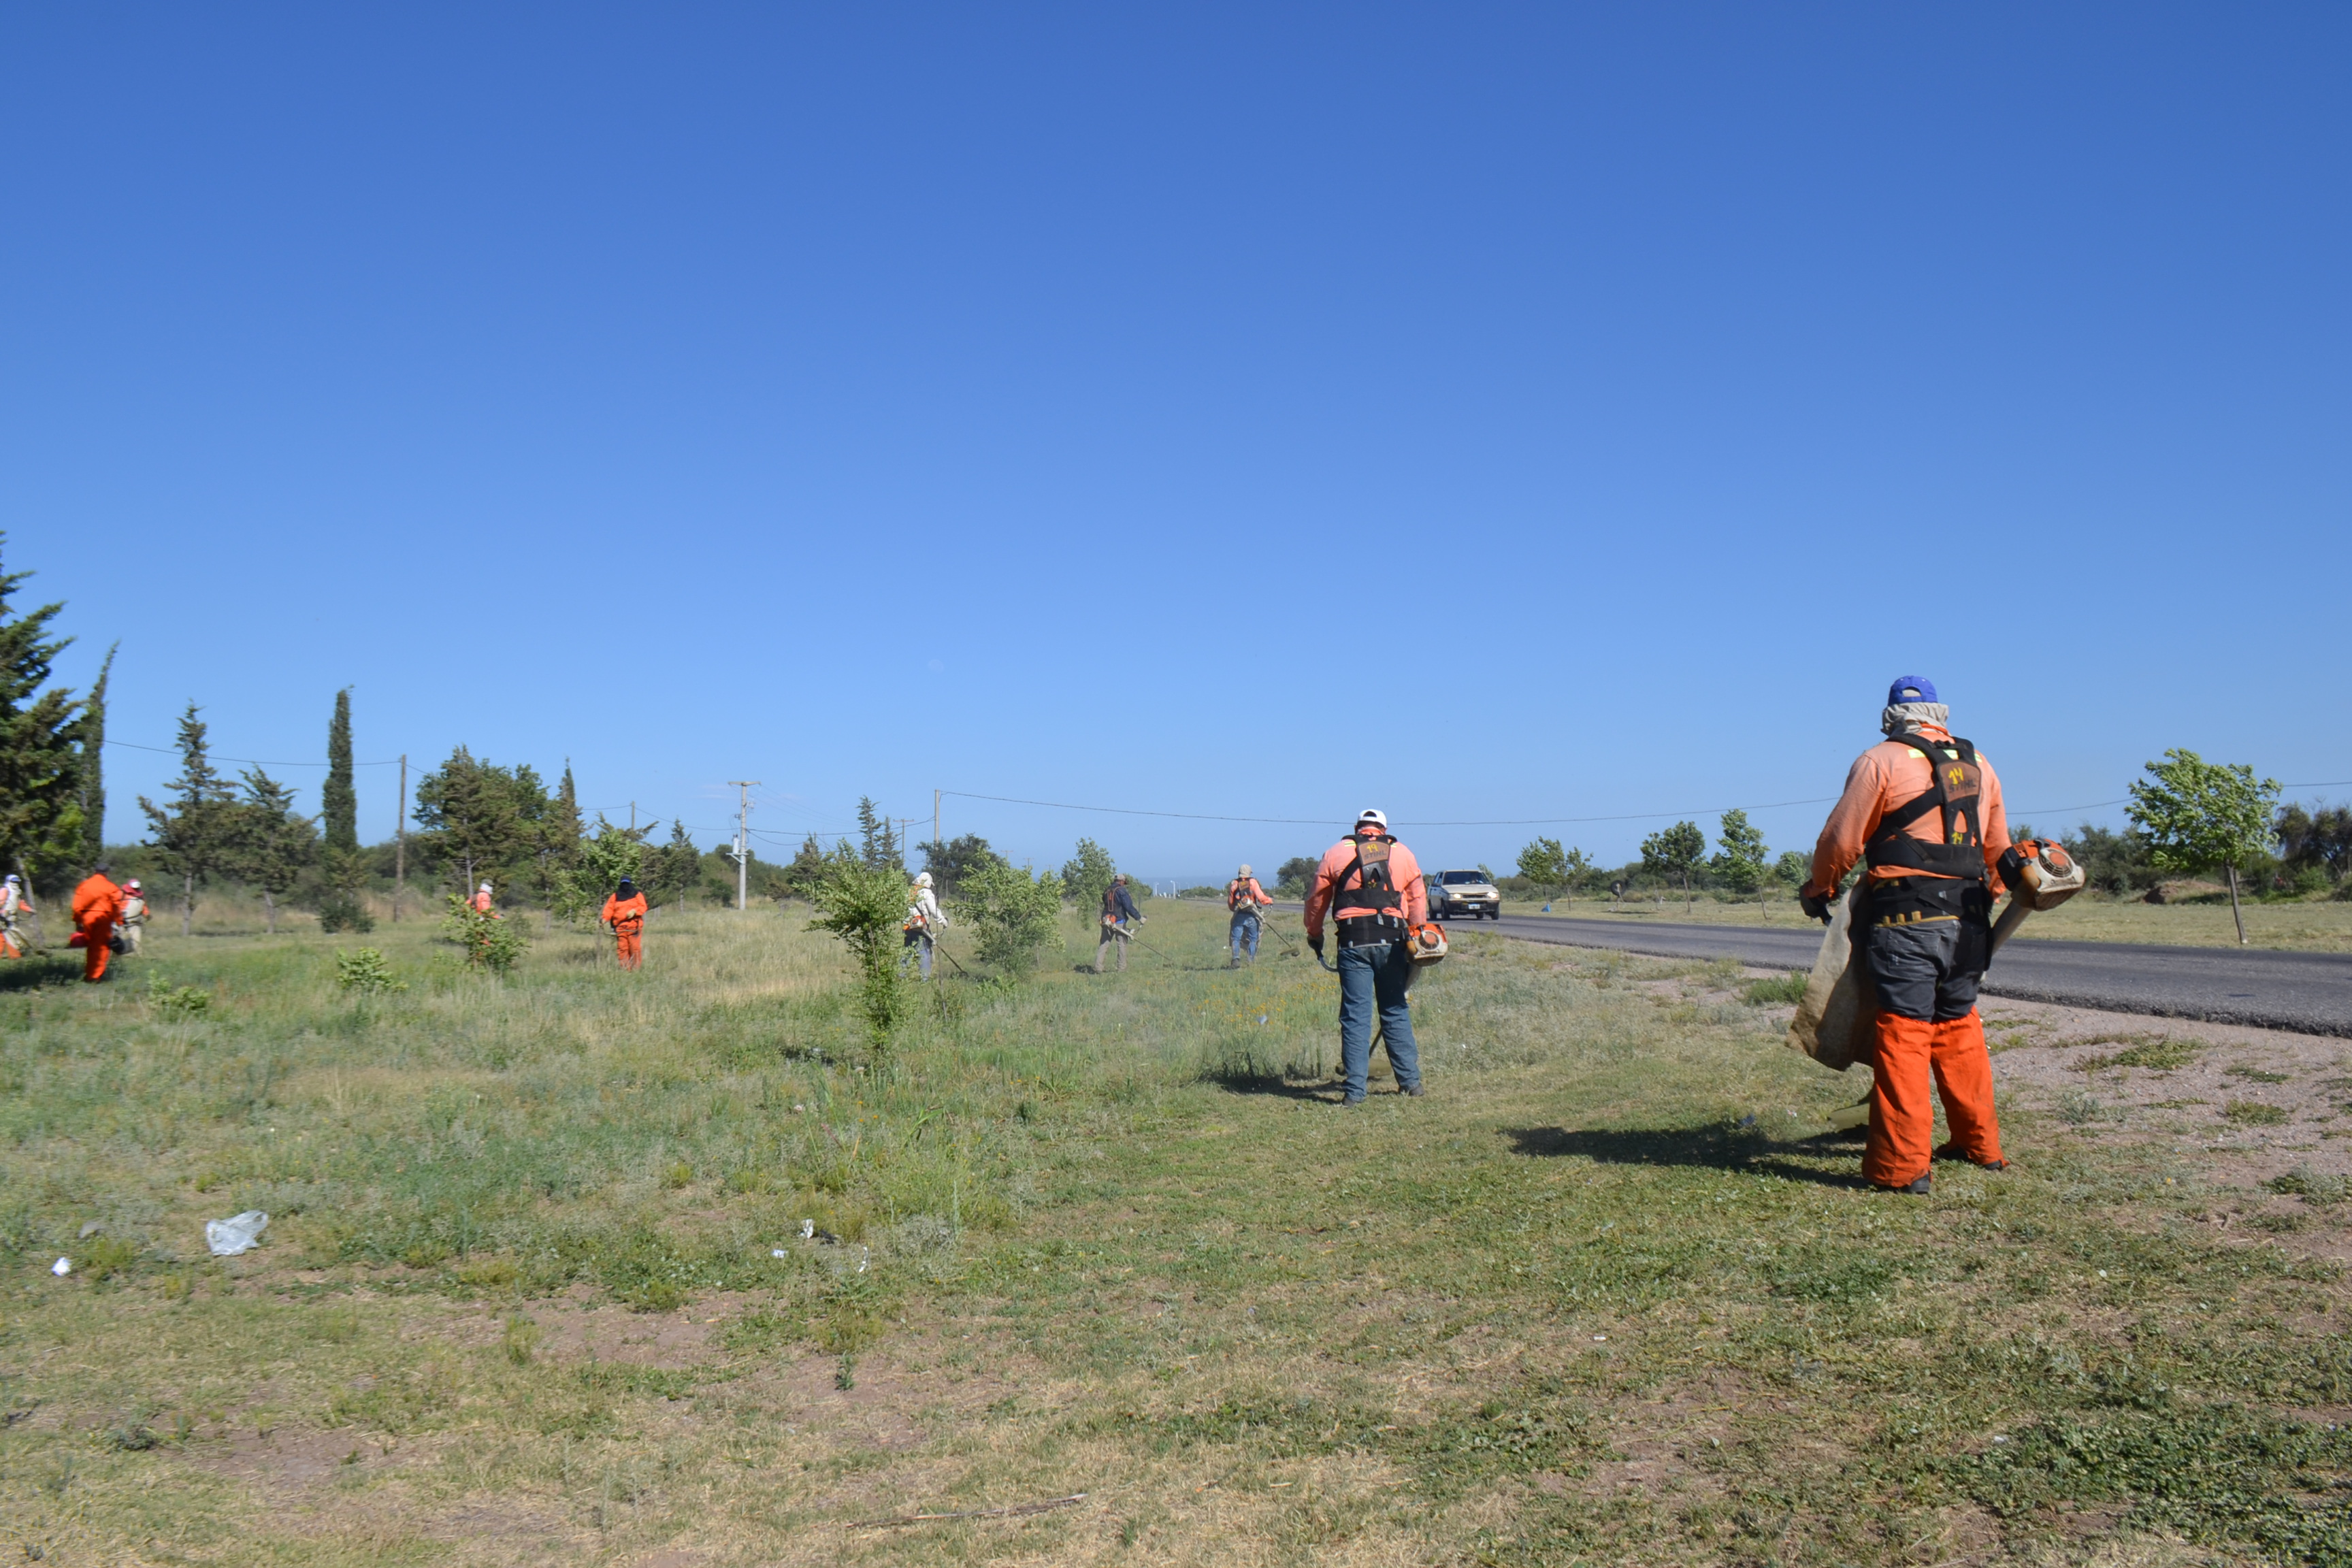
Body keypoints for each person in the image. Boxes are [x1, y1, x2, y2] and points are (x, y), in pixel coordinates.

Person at [1799, 676, 2012, 1195]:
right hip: (1970, 919)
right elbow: (1999, 847)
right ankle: (1979, 1146)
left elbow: (1842, 838)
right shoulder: (1980, 763)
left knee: (1905, 1035)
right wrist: (1992, 894)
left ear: (1891, 715)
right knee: (1959, 1029)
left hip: (1905, 921)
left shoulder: (1881, 760)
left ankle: (1901, 1168)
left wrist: (1820, 887)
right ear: (1941, 714)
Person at [1303, 808, 1428, 1105]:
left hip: (1353, 941)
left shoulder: (1336, 852)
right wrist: (1417, 933)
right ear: (1384, 829)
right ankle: (1411, 1084)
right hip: (1394, 940)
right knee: (1395, 1010)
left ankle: (1355, 1093)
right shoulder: (1404, 854)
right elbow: (1417, 899)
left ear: (1357, 827)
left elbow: (1317, 897)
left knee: (1355, 1017)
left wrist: (1314, 932)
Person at [71, 862, 123, 983]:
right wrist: (119, 921)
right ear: (107, 873)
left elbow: (76, 906)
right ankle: (94, 976)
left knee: (91, 946)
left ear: (95, 872)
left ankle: (90, 973)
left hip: (87, 917)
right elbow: (116, 905)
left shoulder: (84, 885)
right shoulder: (111, 887)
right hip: (103, 918)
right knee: (101, 947)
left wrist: (78, 921)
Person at [902, 870, 947, 979]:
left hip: (907, 928)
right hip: (920, 928)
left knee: (906, 953)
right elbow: (934, 910)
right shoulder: (926, 893)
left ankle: (901, 976)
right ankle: (924, 979)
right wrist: (943, 921)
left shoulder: (910, 892)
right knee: (924, 953)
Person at [1226, 863, 1271, 966]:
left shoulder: (1234, 883)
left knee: (1236, 939)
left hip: (1239, 915)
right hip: (1252, 914)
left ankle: (1235, 959)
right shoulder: (1253, 882)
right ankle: (1250, 961)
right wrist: (1270, 901)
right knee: (1253, 939)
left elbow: (1230, 902)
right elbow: (1261, 898)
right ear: (1249, 872)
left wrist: (1234, 909)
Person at [1096, 873, 1142, 974]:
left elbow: (1104, 902)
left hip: (1106, 920)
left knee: (1104, 944)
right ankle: (1121, 969)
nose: (1124, 884)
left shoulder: (1107, 890)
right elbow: (1128, 906)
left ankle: (1098, 968)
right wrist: (1138, 917)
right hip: (1119, 921)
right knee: (1121, 944)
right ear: (1121, 881)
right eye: (1124, 883)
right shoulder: (1121, 891)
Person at [601, 877, 649, 970]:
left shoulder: (637, 895)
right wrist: (604, 919)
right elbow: (609, 909)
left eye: (627, 884)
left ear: (630, 884)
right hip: (620, 927)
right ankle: (625, 969)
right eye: (623, 884)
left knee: (634, 948)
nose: (625, 886)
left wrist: (635, 911)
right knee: (622, 949)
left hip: (634, 926)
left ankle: (636, 969)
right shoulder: (615, 896)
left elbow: (643, 906)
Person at [0, 873, 33, 959]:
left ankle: (15, 954)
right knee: (8, 936)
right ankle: (15, 955)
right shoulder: (5, 890)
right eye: (14, 882)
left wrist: (30, 910)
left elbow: (21, 904)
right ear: (8, 881)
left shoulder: (17, 892)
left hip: (12, 917)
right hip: (3, 917)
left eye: (17, 882)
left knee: (7, 936)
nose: (16, 883)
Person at [118, 878, 147, 956]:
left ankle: (139, 957)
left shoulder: (141, 896)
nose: (136, 889)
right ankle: (120, 956)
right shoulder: (122, 894)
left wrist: (147, 914)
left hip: (135, 923)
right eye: (134, 888)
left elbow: (144, 907)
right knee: (121, 940)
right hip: (122, 922)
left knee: (137, 940)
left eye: (137, 888)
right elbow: (116, 906)